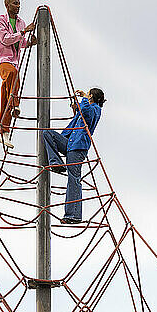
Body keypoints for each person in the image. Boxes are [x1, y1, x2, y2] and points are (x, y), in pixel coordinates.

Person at [43, 88, 105, 224]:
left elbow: (86, 114)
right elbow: (81, 114)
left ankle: (73, 215)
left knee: (74, 179)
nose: (87, 96)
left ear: (93, 97)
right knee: (47, 133)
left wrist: (83, 99)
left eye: (89, 95)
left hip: (78, 147)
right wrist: (76, 106)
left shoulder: (95, 109)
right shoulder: (85, 109)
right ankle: (56, 163)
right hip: (70, 143)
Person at [0, 0, 37, 149]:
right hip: (2, 59)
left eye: (19, 4)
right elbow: (5, 39)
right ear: (7, 5)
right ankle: (15, 104)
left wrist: (30, 42)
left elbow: (21, 42)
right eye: (15, 4)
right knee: (11, 74)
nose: (18, 6)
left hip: (14, 62)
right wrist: (24, 31)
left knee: (6, 90)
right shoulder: (0, 21)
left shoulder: (20, 22)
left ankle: (4, 131)